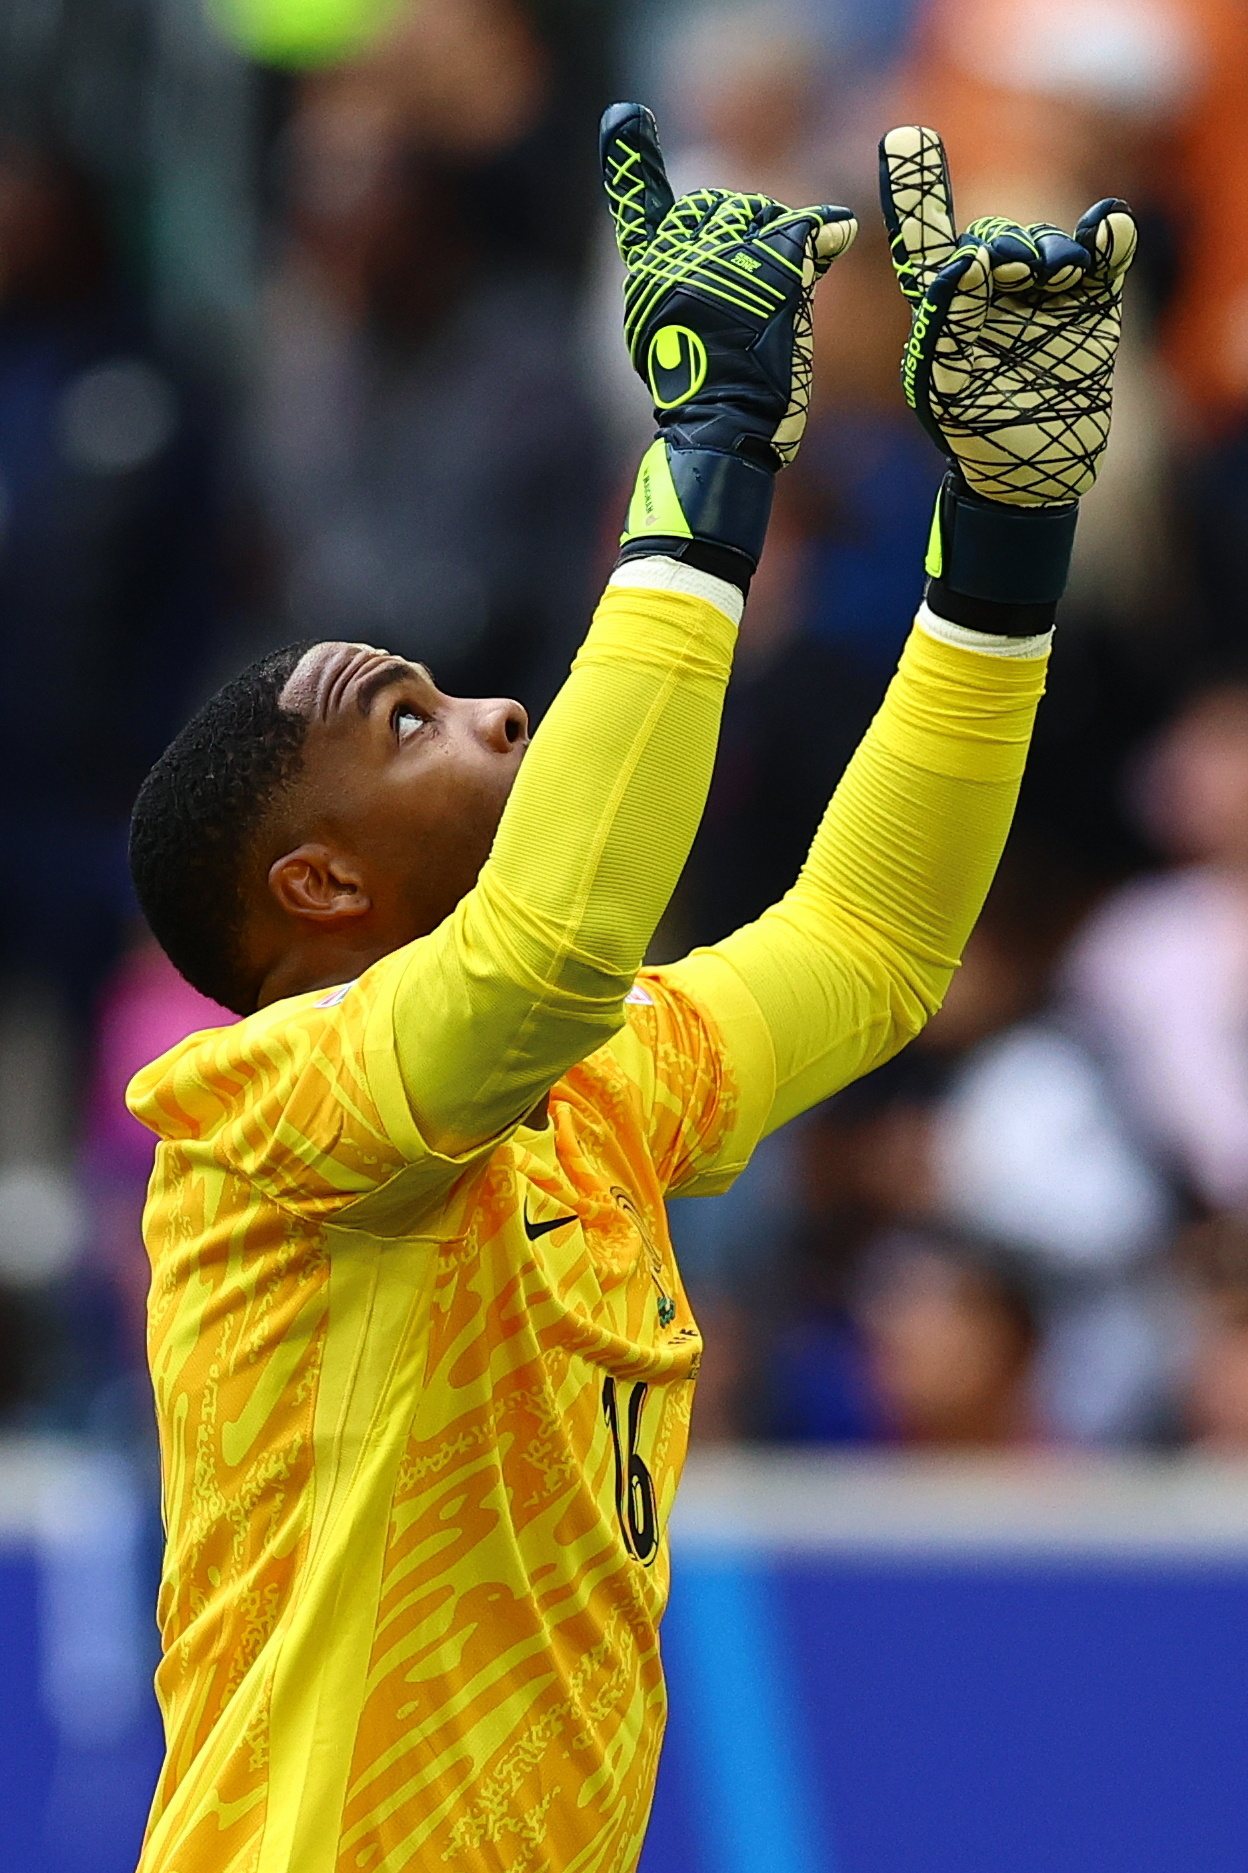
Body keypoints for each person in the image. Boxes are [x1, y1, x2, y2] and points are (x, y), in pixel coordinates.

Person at [123, 105, 1135, 1873]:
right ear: (321, 885)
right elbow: (547, 945)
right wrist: (709, 454)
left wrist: (1002, 542)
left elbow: (868, 948)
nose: (498, 709)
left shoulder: (584, 1083)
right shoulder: (264, 1122)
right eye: (408, 720)